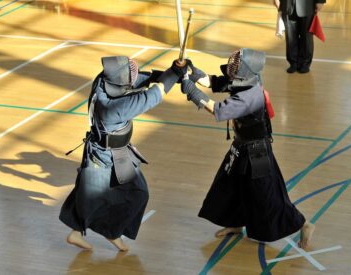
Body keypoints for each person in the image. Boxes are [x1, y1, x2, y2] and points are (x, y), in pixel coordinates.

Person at [181, 48, 315, 248]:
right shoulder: (247, 80)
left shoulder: (250, 96)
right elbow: (216, 82)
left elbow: (218, 110)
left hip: (257, 152)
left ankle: (304, 224)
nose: (232, 68)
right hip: (241, 146)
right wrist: (193, 74)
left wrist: (191, 91)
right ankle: (235, 223)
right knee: (229, 185)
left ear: (244, 70)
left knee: (268, 196)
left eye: (236, 66)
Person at [59, 56, 187, 251]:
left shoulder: (101, 81)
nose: (133, 77)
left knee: (105, 194)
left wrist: (174, 71)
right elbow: (153, 95)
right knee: (108, 195)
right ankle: (99, 232)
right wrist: (174, 75)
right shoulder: (116, 108)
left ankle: (104, 232)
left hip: (115, 152)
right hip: (104, 156)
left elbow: (140, 80)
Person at [273, 0, 326, 73]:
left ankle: (305, 63)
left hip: (308, 5)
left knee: (306, 37)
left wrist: (320, 1)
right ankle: (293, 62)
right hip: (287, 5)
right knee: (290, 36)